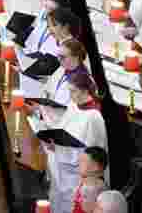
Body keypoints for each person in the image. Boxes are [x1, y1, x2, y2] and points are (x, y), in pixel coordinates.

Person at [33, 70, 107, 213]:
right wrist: (52, 140)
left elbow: (92, 156)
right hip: (61, 170)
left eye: (73, 91)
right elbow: (62, 128)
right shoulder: (74, 105)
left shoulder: (94, 117)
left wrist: (59, 149)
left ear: (84, 91)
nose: (70, 96)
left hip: (76, 177)